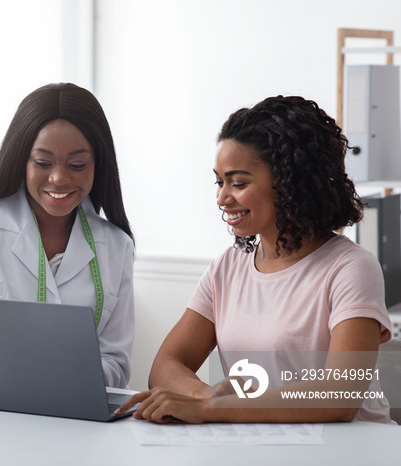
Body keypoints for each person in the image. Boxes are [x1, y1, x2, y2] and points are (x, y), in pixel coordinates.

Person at [116, 95, 394, 423]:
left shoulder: (349, 268)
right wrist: (203, 396)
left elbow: (339, 396)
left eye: (238, 182)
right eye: (219, 182)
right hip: (263, 446)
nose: (222, 197)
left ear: (290, 181)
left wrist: (210, 409)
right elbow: (167, 363)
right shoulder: (228, 267)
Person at [0, 83, 135, 388]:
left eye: (77, 165)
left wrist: (64, 381)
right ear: (21, 159)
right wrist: (3, 376)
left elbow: (116, 362)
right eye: (43, 163)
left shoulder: (117, 246)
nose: (59, 178)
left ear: (99, 164)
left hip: (74, 418)